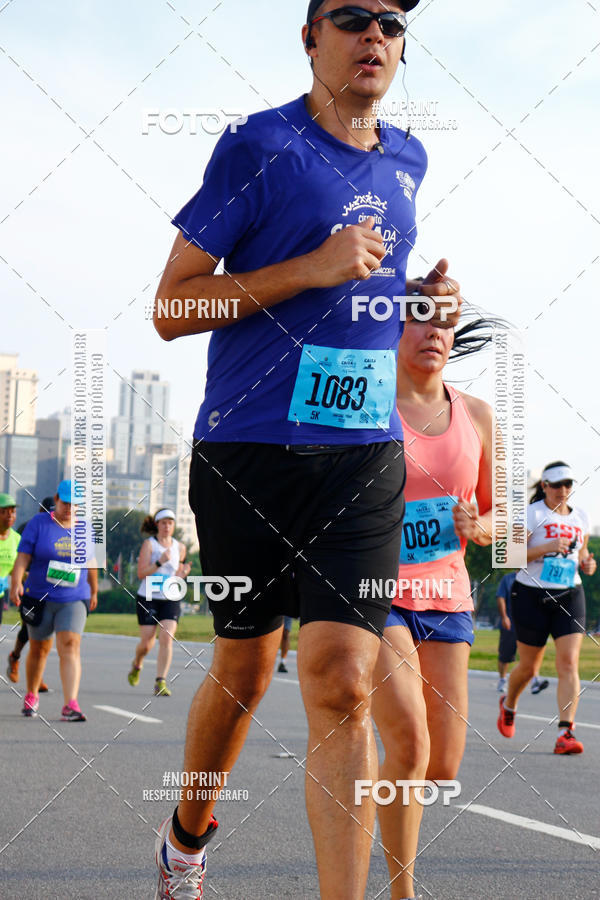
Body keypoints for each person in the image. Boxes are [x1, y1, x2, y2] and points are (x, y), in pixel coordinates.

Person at [151, 1, 462, 896]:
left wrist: (415, 297)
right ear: (311, 38)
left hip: (362, 456)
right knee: (245, 664)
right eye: (353, 17)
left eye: (392, 23)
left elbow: (357, 292)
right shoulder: (259, 146)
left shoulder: (410, 158)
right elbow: (174, 307)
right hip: (247, 448)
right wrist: (312, 266)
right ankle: (187, 834)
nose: (375, 36)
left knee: (340, 676)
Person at [370, 312, 494, 899]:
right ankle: (403, 891)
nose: (434, 333)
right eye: (418, 320)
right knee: (411, 743)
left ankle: (375, 772)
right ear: (391, 331)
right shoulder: (365, 403)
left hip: (447, 598)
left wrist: (483, 525)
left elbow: (505, 524)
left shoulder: (477, 416)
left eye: (445, 323)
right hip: (376, 594)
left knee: (440, 766)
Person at [497, 462, 595, 754]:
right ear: (544, 487)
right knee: (529, 668)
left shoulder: (581, 517)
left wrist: (587, 564)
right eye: (556, 485)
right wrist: (546, 546)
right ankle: (509, 703)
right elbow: (509, 557)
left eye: (567, 484)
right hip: (530, 595)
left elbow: (583, 555)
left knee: (568, 663)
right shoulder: (531, 514)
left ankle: (566, 732)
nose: (562, 490)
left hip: (569, 594)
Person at [9, 480, 98, 721]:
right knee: (39, 648)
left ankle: (71, 704)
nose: (69, 507)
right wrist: (17, 582)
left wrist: (94, 589)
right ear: (57, 499)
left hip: (74, 596)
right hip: (39, 595)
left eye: (74, 504)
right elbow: (23, 557)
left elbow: (90, 562)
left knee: (69, 644)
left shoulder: (86, 528)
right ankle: (31, 695)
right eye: (65, 502)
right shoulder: (39, 524)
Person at [128, 509, 191, 696]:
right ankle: (137, 663)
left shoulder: (180, 547)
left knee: (167, 638)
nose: (167, 526)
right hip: (148, 597)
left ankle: (160, 681)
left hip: (169, 598)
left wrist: (182, 574)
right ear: (157, 525)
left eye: (170, 523)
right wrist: (159, 563)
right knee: (147, 643)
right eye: (163, 523)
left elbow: (177, 574)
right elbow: (141, 574)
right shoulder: (150, 545)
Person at [6, 497, 54, 690]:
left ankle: (36, 676)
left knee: (46, 634)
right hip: (31, 588)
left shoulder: (61, 529)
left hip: (53, 589)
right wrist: (19, 580)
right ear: (40, 511)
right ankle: (15, 657)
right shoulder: (28, 527)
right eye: (47, 512)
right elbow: (18, 558)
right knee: (30, 629)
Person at [496, 570, 548, 695]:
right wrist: (504, 617)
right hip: (511, 623)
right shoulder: (508, 579)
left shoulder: (534, 577)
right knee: (505, 655)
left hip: (529, 623)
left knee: (532, 654)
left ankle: (535, 680)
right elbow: (501, 597)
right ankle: (503, 679)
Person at [0, 493, 21, 627]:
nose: (10, 516)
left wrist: (19, 582)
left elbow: (16, 568)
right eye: (4, 512)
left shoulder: (16, 539)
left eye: (12, 512)